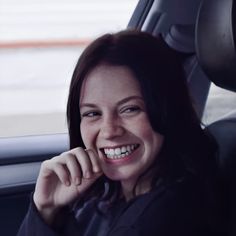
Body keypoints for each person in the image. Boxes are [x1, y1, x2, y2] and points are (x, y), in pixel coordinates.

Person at [17, 30, 224, 236]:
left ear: (168, 110)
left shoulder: (155, 222)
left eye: (130, 109)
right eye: (92, 113)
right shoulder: (110, 197)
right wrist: (47, 209)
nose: (109, 130)